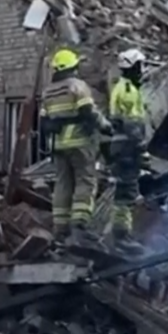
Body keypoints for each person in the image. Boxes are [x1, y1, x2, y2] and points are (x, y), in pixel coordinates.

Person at [40, 48, 112, 244]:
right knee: (85, 180)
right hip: (80, 142)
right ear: (73, 67)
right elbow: (89, 112)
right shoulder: (77, 86)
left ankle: (60, 227)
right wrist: (107, 127)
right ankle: (80, 224)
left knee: (62, 183)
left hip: (58, 145)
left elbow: (44, 122)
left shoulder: (48, 92)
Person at [108, 48, 149, 253]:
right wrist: (141, 146)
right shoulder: (127, 90)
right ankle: (121, 235)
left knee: (125, 192)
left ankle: (124, 233)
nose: (142, 70)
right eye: (139, 65)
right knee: (125, 193)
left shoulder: (126, 87)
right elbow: (131, 123)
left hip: (123, 146)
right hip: (127, 148)